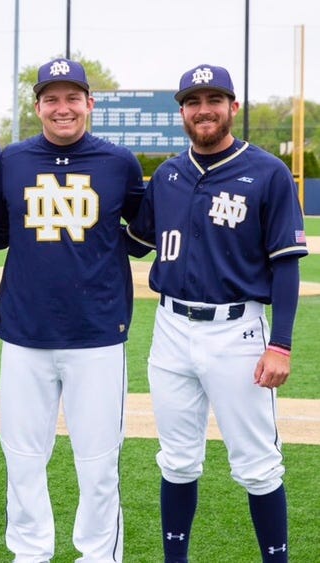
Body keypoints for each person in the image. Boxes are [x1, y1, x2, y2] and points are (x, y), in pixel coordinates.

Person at [126, 64, 308, 562]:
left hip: (238, 332)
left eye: (213, 100)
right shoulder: (168, 174)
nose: (203, 110)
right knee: (178, 460)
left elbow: (286, 267)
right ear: (181, 112)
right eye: (193, 102)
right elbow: (135, 242)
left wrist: (281, 343)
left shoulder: (267, 172)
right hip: (170, 331)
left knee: (257, 464)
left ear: (233, 107)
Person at [0, 58, 146, 562]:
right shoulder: (11, 161)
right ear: (37, 107)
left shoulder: (119, 163)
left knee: (98, 461)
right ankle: (30, 552)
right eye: (51, 99)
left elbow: (143, 238)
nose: (62, 108)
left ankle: (98, 554)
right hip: (25, 332)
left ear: (89, 104)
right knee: (23, 456)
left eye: (72, 97)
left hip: (97, 334)